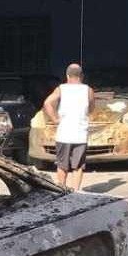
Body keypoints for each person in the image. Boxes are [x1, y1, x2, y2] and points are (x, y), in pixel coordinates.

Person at [42, 63, 95, 191]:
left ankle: (62, 190)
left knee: (62, 165)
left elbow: (47, 103)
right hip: (80, 134)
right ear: (81, 76)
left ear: (67, 75)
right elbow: (92, 108)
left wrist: (55, 119)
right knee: (78, 166)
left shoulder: (61, 89)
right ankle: (76, 192)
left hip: (64, 134)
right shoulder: (88, 90)